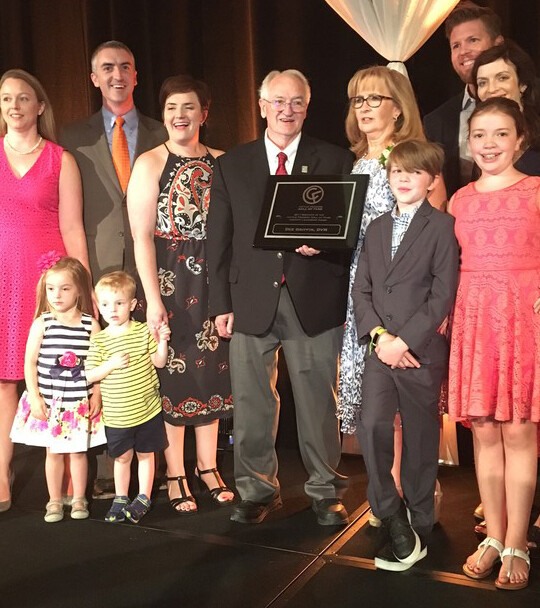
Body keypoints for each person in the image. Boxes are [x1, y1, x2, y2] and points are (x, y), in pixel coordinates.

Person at [207, 69, 353, 526]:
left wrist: (326, 242)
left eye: (296, 102)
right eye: (278, 101)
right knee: (251, 403)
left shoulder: (335, 160)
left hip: (313, 297)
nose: (286, 111)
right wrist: (219, 305)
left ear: (307, 107)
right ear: (261, 105)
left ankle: (326, 491)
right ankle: (255, 491)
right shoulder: (233, 163)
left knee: (317, 401)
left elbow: (349, 234)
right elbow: (219, 240)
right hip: (250, 299)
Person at [61, 40, 167, 500]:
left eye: (125, 66)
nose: (117, 74)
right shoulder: (70, 137)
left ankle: (156, 460)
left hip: (157, 264)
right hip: (101, 270)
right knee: (105, 367)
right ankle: (109, 468)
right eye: (107, 68)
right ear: (94, 77)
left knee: (152, 361)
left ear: (136, 75)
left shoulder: (165, 132)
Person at [128, 75, 234, 515]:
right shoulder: (151, 162)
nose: (180, 116)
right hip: (169, 283)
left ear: (204, 114)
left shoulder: (224, 162)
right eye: (172, 107)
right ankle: (176, 472)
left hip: (213, 282)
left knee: (211, 373)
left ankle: (208, 468)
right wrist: (153, 299)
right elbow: (141, 236)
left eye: (189, 107)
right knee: (172, 377)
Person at [352, 140, 459, 570]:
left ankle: (421, 520)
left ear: (431, 181)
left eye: (413, 173)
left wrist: (405, 342)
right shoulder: (376, 227)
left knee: (419, 437)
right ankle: (389, 508)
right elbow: (362, 289)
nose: (403, 179)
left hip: (420, 351)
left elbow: (442, 294)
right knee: (372, 424)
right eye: (397, 172)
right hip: (381, 348)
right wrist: (380, 337)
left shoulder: (443, 226)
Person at [448, 98, 539, 590]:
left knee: (520, 433)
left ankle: (518, 542)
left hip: (525, 321)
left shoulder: (537, 191)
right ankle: (493, 537)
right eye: (479, 134)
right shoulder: (458, 200)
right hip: (476, 321)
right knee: (484, 432)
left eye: (500, 134)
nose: (488, 144)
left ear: (520, 139)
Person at [338, 66, 446, 440]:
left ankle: (409, 486)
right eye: (357, 100)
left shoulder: (412, 160)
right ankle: (389, 489)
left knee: (403, 388)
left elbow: (435, 230)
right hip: (361, 287)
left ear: (397, 108)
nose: (363, 108)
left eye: (374, 98)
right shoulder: (354, 162)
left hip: (404, 289)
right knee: (377, 401)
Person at [0, 69, 90, 513]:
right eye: (5, 99)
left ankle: (70, 485)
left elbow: (72, 228)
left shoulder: (61, 160)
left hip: (47, 283)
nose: (14, 106)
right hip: (2, 276)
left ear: (39, 106)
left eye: (22, 98)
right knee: (3, 379)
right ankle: (2, 473)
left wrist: (85, 291)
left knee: (61, 377)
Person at [10, 257, 105, 522]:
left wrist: (96, 393)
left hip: (78, 403)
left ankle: (78, 498)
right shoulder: (43, 323)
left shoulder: (90, 325)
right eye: (51, 288)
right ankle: (53, 500)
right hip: (51, 402)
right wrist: (36, 397)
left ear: (78, 291)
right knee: (52, 452)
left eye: (65, 288)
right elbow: (29, 362)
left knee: (78, 452)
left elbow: (97, 362)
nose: (57, 295)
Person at [85, 272, 169, 524]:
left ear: (132, 305)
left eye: (119, 303)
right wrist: (110, 365)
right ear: (98, 306)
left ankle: (143, 496)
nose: (112, 310)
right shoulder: (99, 340)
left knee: (146, 454)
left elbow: (159, 362)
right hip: (118, 414)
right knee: (122, 457)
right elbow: (90, 375)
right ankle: (120, 497)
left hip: (147, 410)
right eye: (106, 304)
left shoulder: (143, 332)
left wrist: (162, 341)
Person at [424, 1, 504, 198]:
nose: (463, 51)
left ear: (498, 44)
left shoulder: (534, 102)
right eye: (456, 45)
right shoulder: (435, 122)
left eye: (473, 40)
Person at [473, 40, 540, 174]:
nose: (491, 89)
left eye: (502, 78)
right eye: (482, 83)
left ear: (522, 84)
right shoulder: (482, 144)